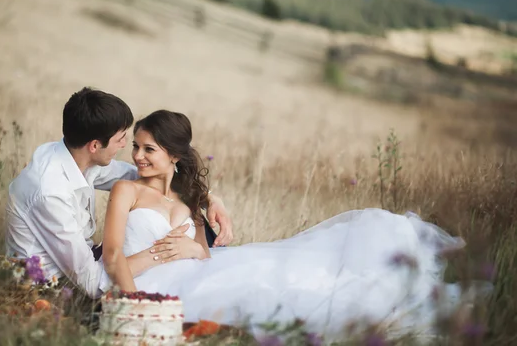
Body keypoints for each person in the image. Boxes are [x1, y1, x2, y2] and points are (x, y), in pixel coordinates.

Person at [102, 109, 473, 341]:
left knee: (287, 272)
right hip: (152, 283)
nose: (137, 156)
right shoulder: (127, 190)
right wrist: (141, 289)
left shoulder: (188, 197)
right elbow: (112, 256)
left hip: (204, 268)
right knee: (260, 295)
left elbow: (203, 250)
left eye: (148, 149)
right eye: (135, 146)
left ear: (175, 156)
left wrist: (194, 248)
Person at [5, 88, 233, 299]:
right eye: (121, 139)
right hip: (51, 285)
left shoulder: (78, 156)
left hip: (88, 262)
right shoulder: (50, 193)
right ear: (94, 145)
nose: (126, 147)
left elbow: (145, 176)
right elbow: (91, 280)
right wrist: (163, 254)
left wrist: (208, 198)